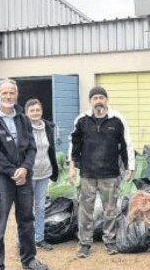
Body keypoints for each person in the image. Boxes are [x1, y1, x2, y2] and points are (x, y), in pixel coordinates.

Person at [0, 79, 49, 270]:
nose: (8, 96)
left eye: (12, 93)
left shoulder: (23, 118)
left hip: (24, 178)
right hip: (1, 179)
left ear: (16, 95)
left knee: (27, 220)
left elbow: (31, 147)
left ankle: (28, 260)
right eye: (5, 93)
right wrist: (13, 171)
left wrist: (25, 168)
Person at [68, 86, 135, 258]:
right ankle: (84, 243)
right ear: (91, 101)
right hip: (87, 174)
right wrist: (71, 168)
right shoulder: (82, 120)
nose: (98, 100)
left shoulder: (117, 119)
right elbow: (73, 145)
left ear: (106, 100)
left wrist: (130, 166)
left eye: (101, 97)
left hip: (110, 174)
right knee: (85, 210)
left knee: (110, 210)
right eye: (95, 98)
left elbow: (127, 144)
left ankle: (110, 241)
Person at [24, 99, 59, 251]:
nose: (35, 113)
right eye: (32, 110)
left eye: (37, 110)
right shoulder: (23, 128)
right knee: (26, 208)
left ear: (41, 111)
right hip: (28, 174)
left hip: (44, 172)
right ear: (26, 113)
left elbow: (51, 150)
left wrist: (55, 169)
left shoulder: (48, 127)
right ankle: (24, 240)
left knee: (40, 207)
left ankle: (39, 238)